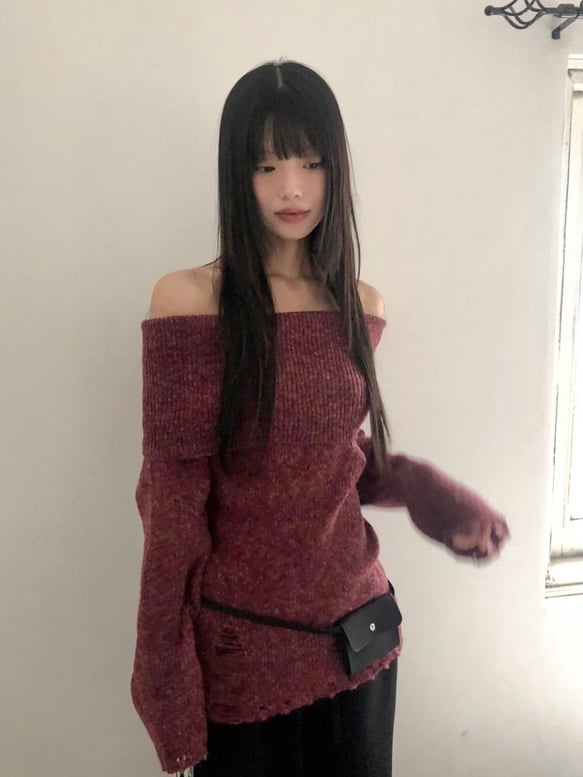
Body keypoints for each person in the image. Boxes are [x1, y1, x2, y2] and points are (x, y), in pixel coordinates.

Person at [130, 58, 510, 777]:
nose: (292, 188)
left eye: (310, 163)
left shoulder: (360, 302)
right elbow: (171, 505)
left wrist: (431, 493)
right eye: (266, 165)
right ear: (236, 174)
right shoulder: (189, 301)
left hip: (361, 632)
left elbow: (333, 456)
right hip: (246, 650)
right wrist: (164, 681)